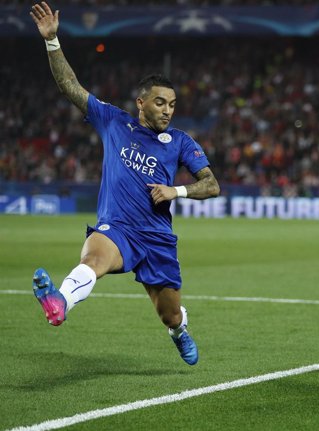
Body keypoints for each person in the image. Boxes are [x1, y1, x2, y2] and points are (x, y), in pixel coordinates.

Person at [29, 2, 220, 365]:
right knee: (94, 258)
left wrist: (175, 191)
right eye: (161, 103)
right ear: (141, 103)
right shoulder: (115, 123)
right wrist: (52, 41)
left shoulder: (180, 141)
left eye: (173, 105)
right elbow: (70, 86)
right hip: (117, 226)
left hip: (157, 238)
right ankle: (60, 302)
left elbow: (211, 185)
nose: (168, 110)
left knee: (169, 314)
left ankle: (179, 332)